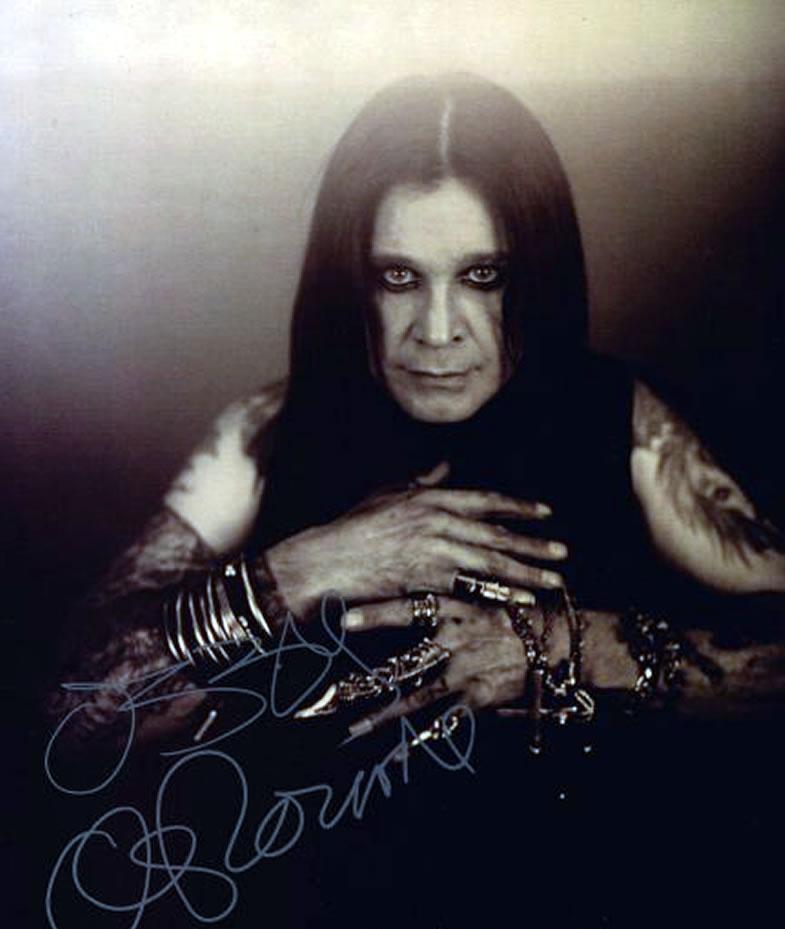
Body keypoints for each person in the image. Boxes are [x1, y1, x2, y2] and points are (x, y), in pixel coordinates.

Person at [45, 72, 785, 760]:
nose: (436, 331)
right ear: (350, 282)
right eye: (398, 276)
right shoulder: (264, 432)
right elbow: (66, 711)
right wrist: (306, 569)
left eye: (482, 276)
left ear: (537, 275)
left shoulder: (619, 418)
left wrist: (562, 647)